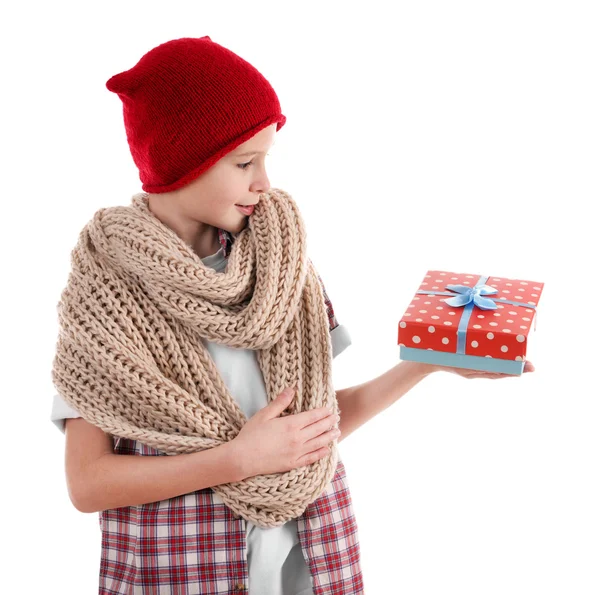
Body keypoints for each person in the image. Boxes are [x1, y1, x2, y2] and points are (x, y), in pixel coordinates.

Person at [49, 36, 535, 595]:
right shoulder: (105, 299)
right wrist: (234, 460)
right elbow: (87, 483)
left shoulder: (283, 269)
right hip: (181, 570)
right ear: (182, 160)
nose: (264, 182)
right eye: (244, 162)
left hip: (313, 564)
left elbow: (313, 432)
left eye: (267, 159)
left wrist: (425, 364)